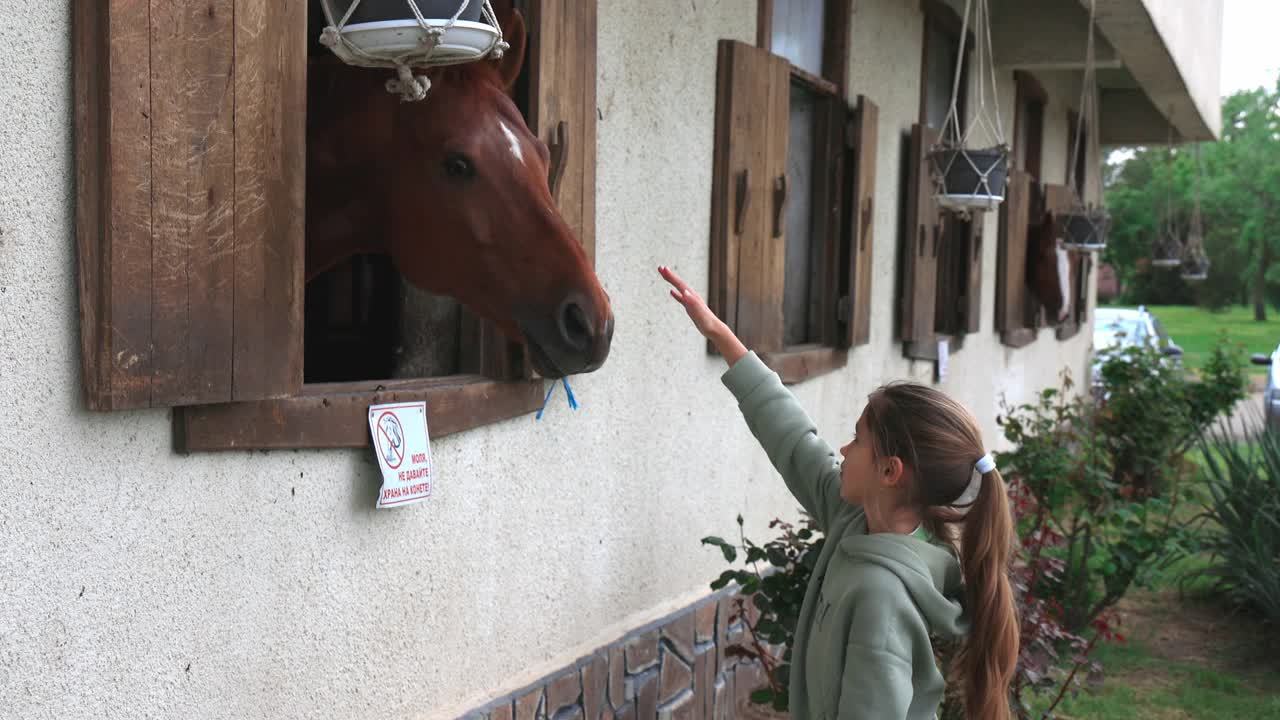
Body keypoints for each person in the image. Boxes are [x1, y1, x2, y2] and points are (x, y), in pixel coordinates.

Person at [658, 265, 1019, 719]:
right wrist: (724, 338)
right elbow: (795, 442)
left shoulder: (881, 596)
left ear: (890, 471)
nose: (843, 450)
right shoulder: (862, 522)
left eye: (857, 441)